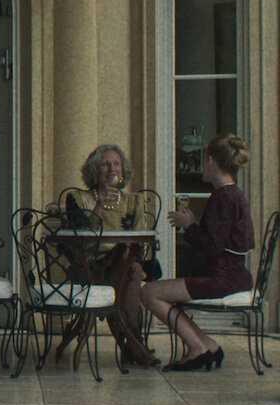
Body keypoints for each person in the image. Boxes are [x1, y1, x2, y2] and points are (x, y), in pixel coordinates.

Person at [142, 134, 253, 371]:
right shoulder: (234, 194)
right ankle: (208, 345)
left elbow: (211, 247)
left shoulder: (222, 197)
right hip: (234, 275)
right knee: (157, 292)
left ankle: (197, 348)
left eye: (204, 160)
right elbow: (220, 241)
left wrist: (189, 225)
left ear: (210, 161)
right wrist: (193, 224)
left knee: (149, 292)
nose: (204, 165)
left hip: (221, 278)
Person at [60, 145, 160, 367]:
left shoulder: (134, 201)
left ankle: (133, 347)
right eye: (105, 164)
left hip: (124, 263)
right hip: (90, 266)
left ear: (123, 170)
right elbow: (81, 237)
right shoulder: (77, 198)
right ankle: (136, 347)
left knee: (130, 267)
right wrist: (99, 205)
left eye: (116, 164)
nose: (112, 169)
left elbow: (140, 239)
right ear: (94, 170)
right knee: (131, 274)